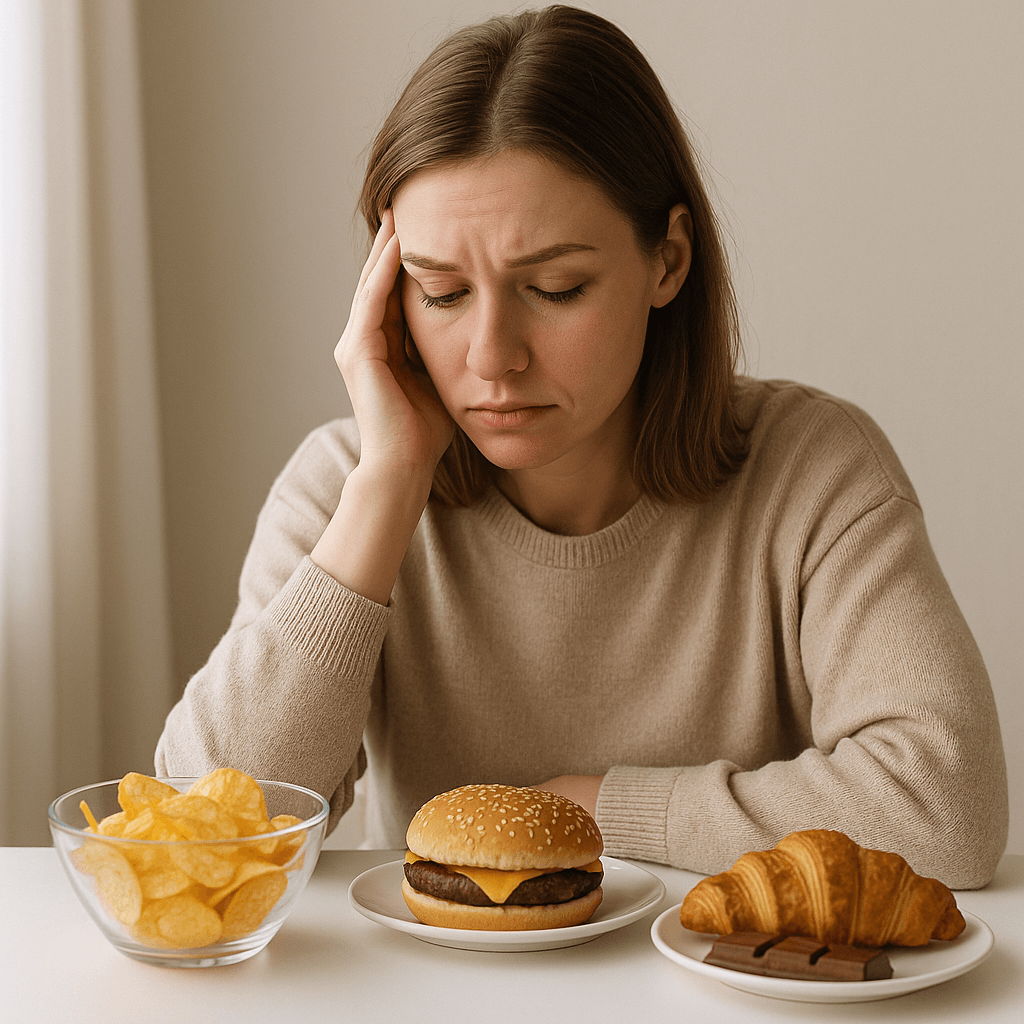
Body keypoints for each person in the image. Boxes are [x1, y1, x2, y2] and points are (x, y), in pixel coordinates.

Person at [155, 5, 1007, 887]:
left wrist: (600, 810)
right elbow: (200, 838)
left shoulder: (814, 472)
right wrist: (389, 488)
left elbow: (948, 811)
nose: (492, 357)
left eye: (556, 288)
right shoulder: (346, 488)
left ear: (667, 261)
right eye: (441, 293)